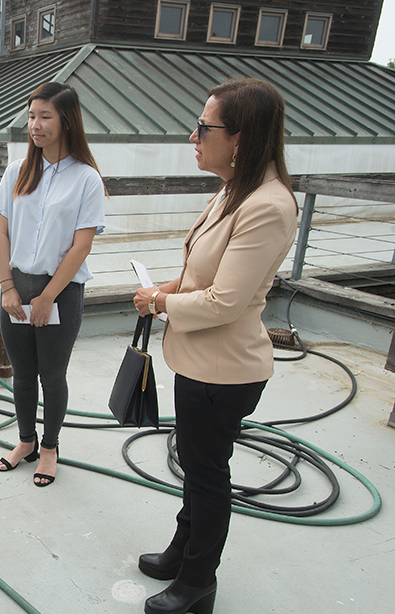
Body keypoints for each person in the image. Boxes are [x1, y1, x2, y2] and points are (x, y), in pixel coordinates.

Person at [132, 77, 298, 614]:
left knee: (206, 474)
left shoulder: (268, 205)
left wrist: (159, 304)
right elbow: (200, 274)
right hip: (199, 361)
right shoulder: (235, 186)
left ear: (241, 139)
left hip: (225, 370)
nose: (193, 137)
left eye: (205, 128)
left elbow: (225, 301)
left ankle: (198, 580)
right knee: (197, 465)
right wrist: (164, 289)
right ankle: (184, 550)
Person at [0, 82, 106, 487]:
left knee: (52, 377)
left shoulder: (87, 179)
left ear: (67, 121)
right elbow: (0, 233)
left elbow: (81, 246)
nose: (34, 125)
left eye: (45, 116)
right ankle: (26, 442)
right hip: (16, 288)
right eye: (31, 115)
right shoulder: (16, 172)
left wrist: (47, 297)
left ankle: (50, 447)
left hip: (61, 292)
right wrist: (8, 288)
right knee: (22, 374)